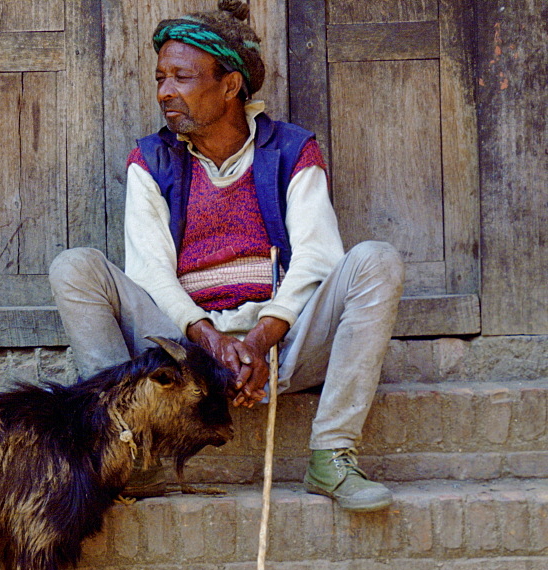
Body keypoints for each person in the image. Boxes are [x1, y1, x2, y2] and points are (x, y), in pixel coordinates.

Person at [49, 2, 404, 512]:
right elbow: (149, 271)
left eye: (182, 77)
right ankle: (125, 448)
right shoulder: (151, 160)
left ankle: (332, 454)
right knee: (75, 268)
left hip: (281, 347)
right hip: (188, 355)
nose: (165, 92)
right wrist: (210, 339)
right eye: (160, 78)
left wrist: (259, 339)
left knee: (376, 260)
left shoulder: (290, 150)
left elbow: (319, 256)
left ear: (231, 86)